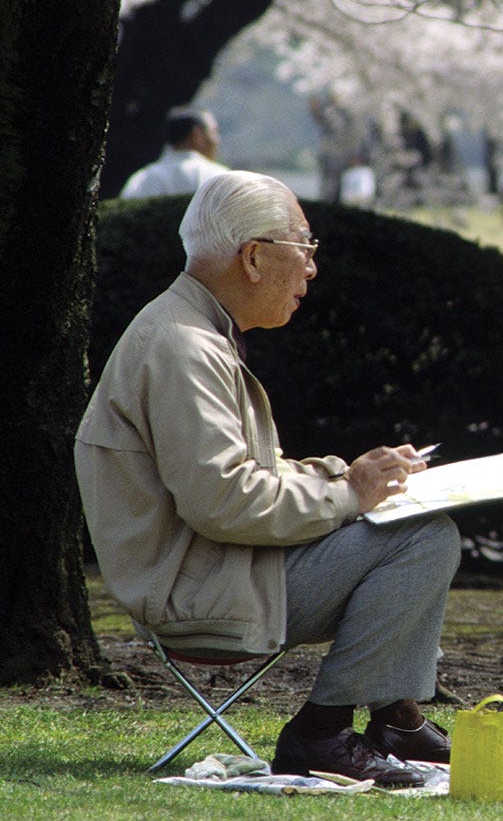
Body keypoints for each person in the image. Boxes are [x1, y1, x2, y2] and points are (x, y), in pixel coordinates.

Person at [75, 171, 459, 787]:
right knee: (424, 538)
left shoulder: (193, 331)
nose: (310, 268)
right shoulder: (184, 346)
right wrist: (349, 495)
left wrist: (351, 477)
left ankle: (397, 717)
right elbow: (224, 501)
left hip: (222, 566)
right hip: (199, 590)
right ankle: (322, 734)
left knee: (408, 517)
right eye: (304, 248)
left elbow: (247, 476)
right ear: (253, 256)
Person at [119, 107, 230, 198]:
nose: (217, 140)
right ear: (197, 134)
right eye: (214, 132)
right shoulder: (218, 177)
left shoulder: (141, 180)